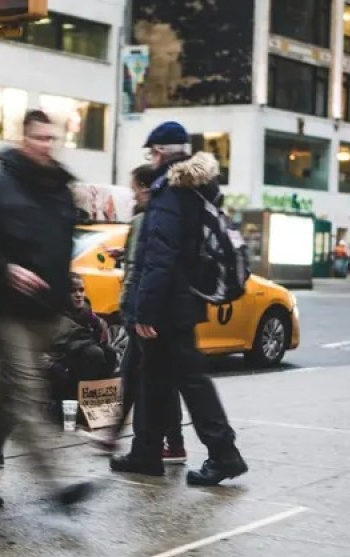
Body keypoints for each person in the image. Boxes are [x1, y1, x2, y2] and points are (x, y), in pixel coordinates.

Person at [110, 121, 248, 485]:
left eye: (151, 152)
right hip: (181, 302)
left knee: (191, 381)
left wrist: (146, 310)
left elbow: (161, 257)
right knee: (153, 380)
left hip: (169, 307)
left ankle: (224, 454)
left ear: (158, 153)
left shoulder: (170, 193)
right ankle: (146, 453)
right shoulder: (194, 189)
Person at [0, 109, 94, 509]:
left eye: (51, 138)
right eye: (39, 138)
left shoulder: (61, 188)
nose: (47, 144)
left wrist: (67, 290)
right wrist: (6, 268)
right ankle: (60, 485)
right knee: (28, 393)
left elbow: (61, 250)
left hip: (48, 312)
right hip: (11, 312)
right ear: (24, 139)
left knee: (7, 401)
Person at [90, 165, 186, 464]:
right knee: (149, 378)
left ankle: (131, 442)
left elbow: (147, 272)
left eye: (134, 190)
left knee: (141, 379)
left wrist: (137, 313)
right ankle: (164, 442)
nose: (132, 197)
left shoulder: (147, 219)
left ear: (146, 188)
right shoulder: (156, 218)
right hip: (150, 313)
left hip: (142, 314)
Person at [49, 274, 117, 404]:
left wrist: (100, 326)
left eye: (81, 290)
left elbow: (97, 325)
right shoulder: (58, 314)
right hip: (63, 360)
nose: (78, 294)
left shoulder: (86, 311)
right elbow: (66, 341)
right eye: (72, 291)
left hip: (81, 352)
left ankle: (99, 400)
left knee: (110, 352)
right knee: (94, 353)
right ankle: (78, 401)